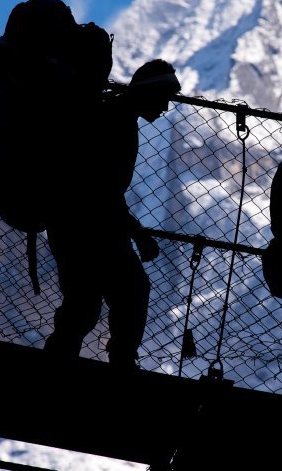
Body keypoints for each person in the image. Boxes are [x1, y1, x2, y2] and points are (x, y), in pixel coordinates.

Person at [42, 57, 181, 369]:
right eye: (163, 99)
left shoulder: (114, 114)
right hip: (87, 225)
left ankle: (60, 361)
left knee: (86, 300)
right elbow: (100, 189)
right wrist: (137, 232)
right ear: (149, 92)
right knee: (122, 292)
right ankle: (119, 361)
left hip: (75, 221)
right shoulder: (115, 121)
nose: (165, 109)